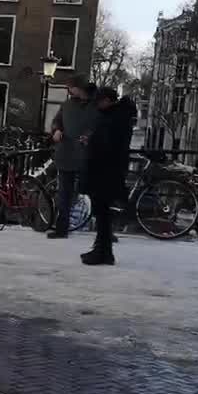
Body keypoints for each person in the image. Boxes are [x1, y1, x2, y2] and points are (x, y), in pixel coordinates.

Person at [80, 86, 136, 266]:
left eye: (99, 101)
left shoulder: (114, 118)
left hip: (105, 171)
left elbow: (108, 145)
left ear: (107, 100)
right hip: (107, 170)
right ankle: (102, 250)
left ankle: (103, 252)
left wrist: (91, 143)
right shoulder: (117, 116)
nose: (97, 105)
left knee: (103, 212)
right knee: (102, 212)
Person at [47, 76, 99, 239]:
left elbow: (103, 125)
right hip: (67, 152)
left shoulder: (97, 106)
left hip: (89, 155)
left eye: (71, 87)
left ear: (78, 88)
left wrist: (91, 137)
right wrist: (56, 130)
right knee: (65, 193)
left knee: (97, 193)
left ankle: (104, 230)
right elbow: (57, 121)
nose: (69, 91)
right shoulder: (67, 105)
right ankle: (62, 228)